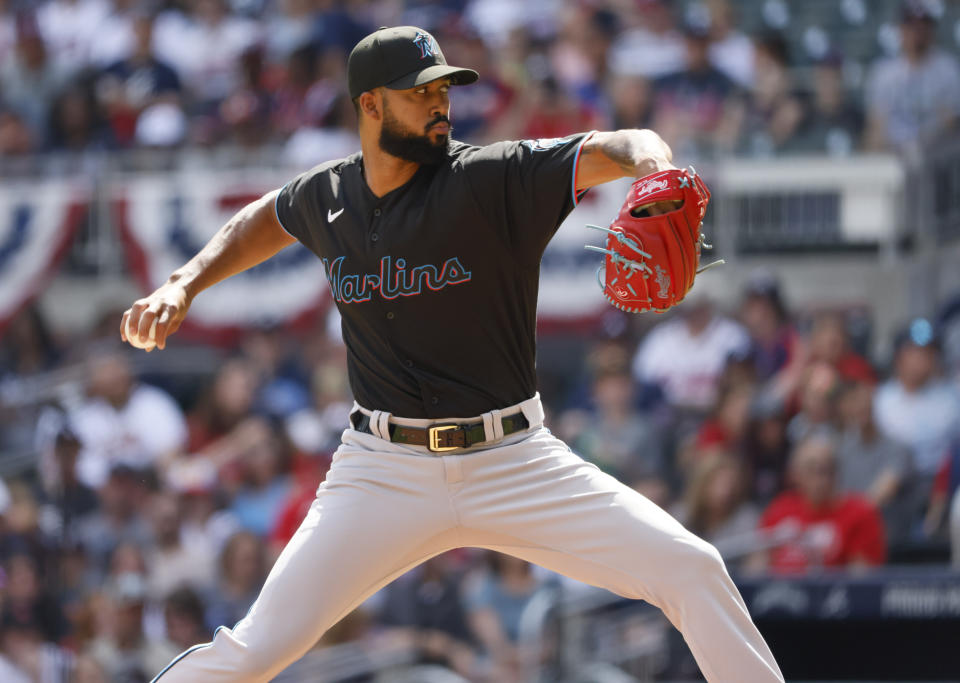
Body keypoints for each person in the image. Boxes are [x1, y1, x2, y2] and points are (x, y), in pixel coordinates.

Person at [124, 26, 782, 682]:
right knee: (253, 651)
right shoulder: (330, 195)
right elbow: (267, 216)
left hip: (514, 460)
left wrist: (658, 166)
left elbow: (614, 146)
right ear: (371, 105)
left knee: (692, 568)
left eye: (444, 88)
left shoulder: (492, 178)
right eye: (420, 93)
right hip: (382, 470)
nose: (440, 102)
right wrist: (186, 281)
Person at [754, 435, 887, 574]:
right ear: (795, 474)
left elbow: (862, 578)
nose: (821, 479)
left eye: (827, 469)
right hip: (780, 592)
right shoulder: (780, 508)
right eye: (811, 469)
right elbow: (758, 563)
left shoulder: (860, 512)